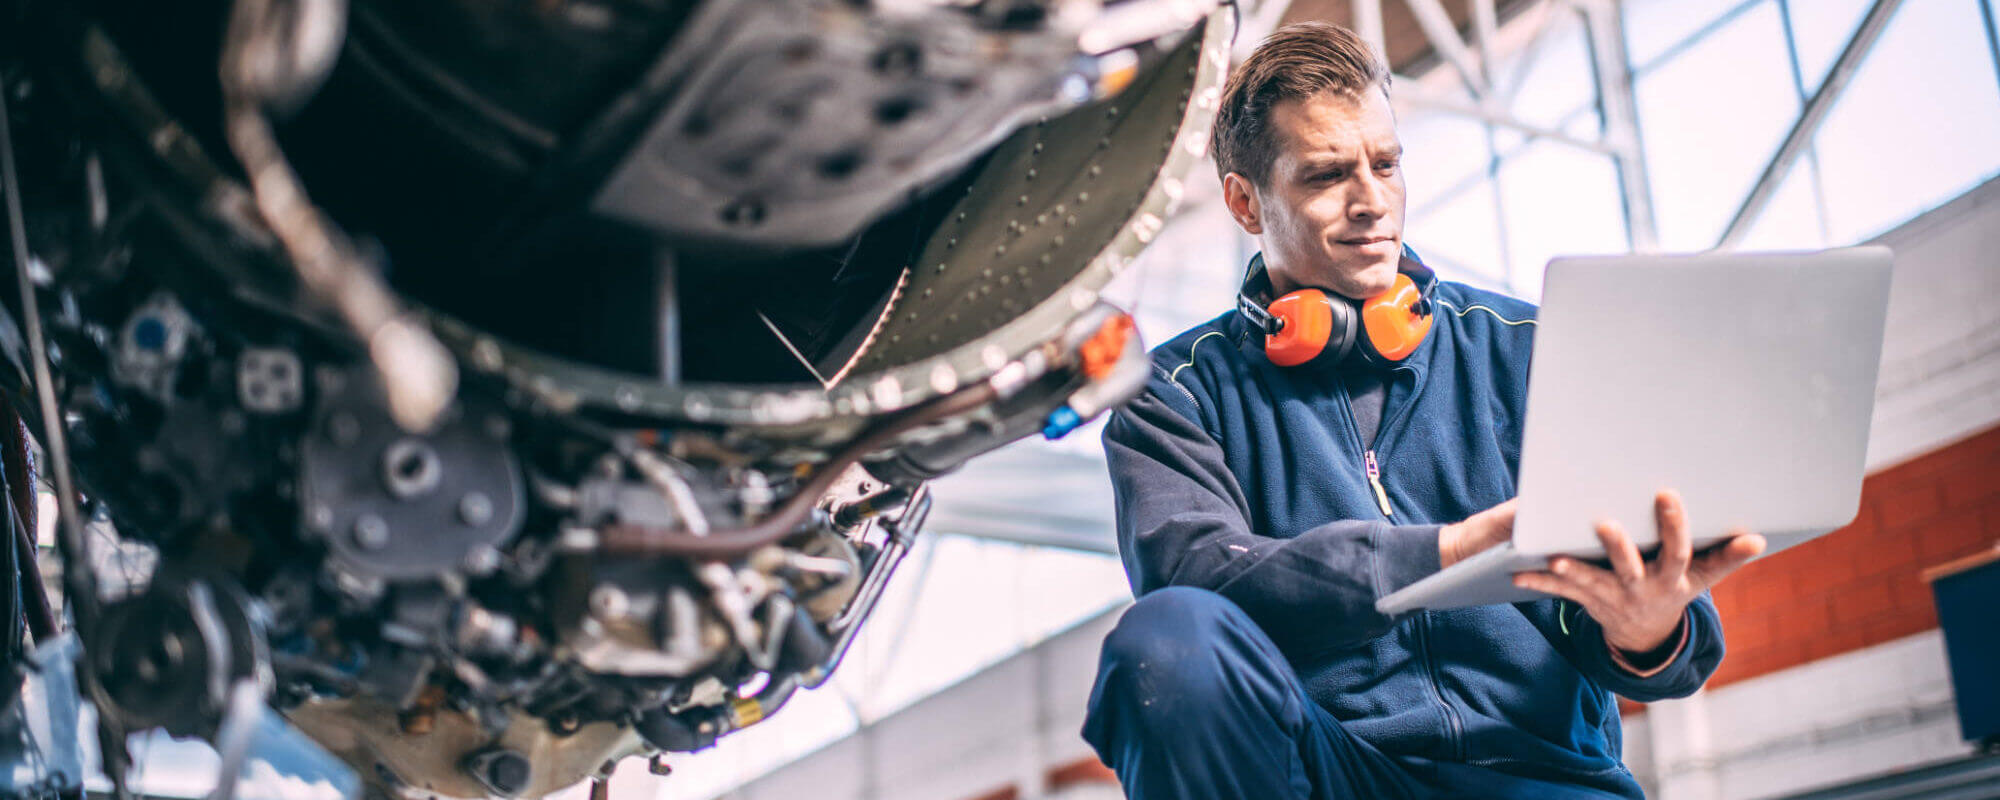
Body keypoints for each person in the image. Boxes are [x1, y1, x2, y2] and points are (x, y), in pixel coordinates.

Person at [1080, 21, 1768, 800]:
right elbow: (1200, 581)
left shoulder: (1530, 349)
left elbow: (1666, 638)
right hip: (1327, 774)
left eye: (1386, 163)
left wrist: (1647, 631)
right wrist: (1441, 553)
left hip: (1540, 776)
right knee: (1166, 644)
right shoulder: (1174, 394)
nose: (1372, 201)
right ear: (1244, 202)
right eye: (1326, 174)